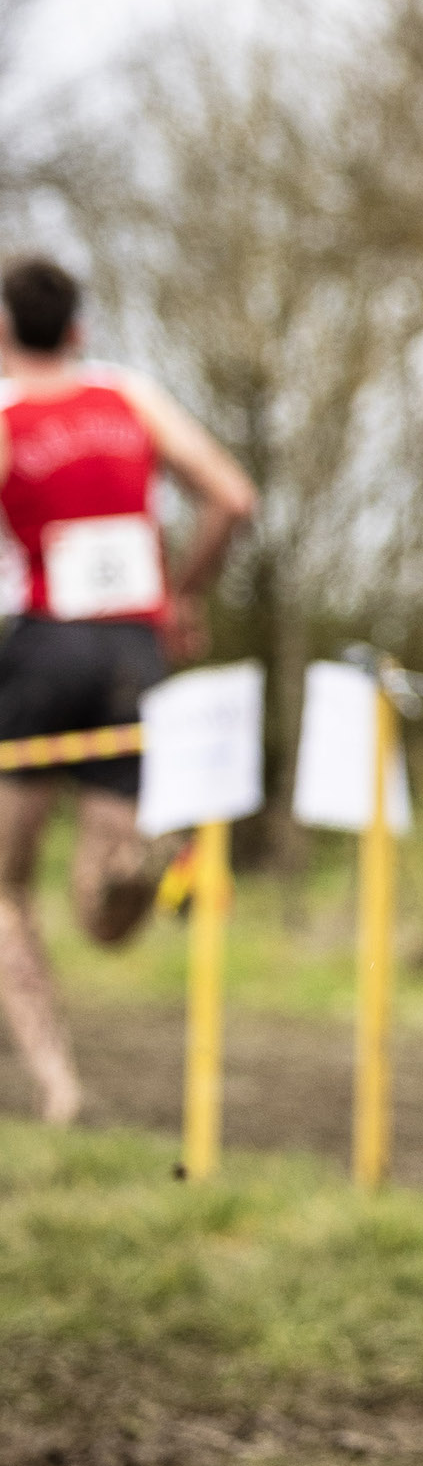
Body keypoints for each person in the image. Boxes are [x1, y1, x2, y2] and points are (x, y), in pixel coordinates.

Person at [0, 254, 256, 1124]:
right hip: (133, 660)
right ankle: (139, 865)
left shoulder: (3, 416)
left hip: (38, 654)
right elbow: (232, 496)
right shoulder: (129, 399)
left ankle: (58, 1085)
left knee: (5, 889)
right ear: (78, 328)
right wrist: (183, 592)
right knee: (103, 913)